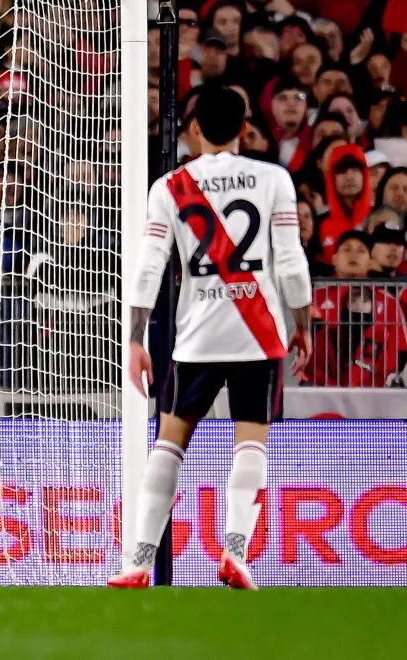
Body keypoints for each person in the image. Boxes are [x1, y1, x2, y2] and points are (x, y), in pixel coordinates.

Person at [109, 86, 313, 591]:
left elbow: (149, 266)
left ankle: (138, 562)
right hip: (259, 335)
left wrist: (135, 337)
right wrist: (303, 324)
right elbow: (291, 261)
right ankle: (235, 553)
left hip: (196, 336)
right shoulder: (274, 179)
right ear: (245, 128)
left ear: (195, 129)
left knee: (168, 443)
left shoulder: (170, 187)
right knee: (251, 443)